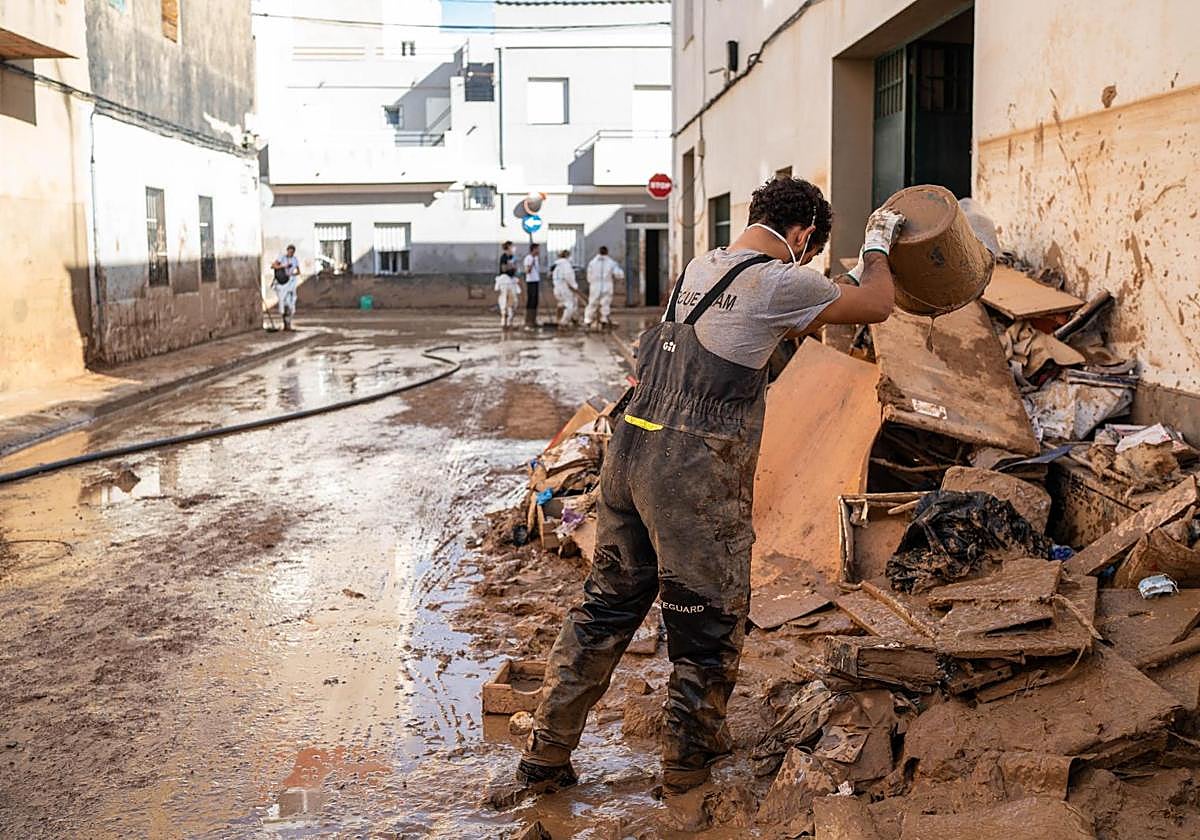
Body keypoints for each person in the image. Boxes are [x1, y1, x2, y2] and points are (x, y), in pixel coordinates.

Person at [511, 177, 904, 800]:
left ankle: (544, 758)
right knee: (706, 624)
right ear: (802, 237)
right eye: (808, 247)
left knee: (604, 610)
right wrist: (877, 244)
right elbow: (877, 303)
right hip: (690, 476)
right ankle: (685, 772)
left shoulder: (702, 266)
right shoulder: (782, 279)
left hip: (629, 454)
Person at [584, 246, 622, 329]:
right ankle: (603, 320)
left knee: (592, 303)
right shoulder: (611, 262)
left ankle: (588, 320)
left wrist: (592, 282)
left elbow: (589, 276)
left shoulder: (592, 262)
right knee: (605, 303)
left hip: (595, 285)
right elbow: (618, 274)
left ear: (599, 252)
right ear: (607, 252)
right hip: (607, 285)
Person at [270, 244, 301, 331]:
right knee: (283, 302)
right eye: (289, 251)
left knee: (291, 303)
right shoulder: (282, 258)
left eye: (292, 252)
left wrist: (292, 274)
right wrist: (284, 266)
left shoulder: (295, 260)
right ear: (287, 251)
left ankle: (288, 324)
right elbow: (273, 266)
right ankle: (285, 324)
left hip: (291, 281)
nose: (290, 253)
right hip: (282, 282)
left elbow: (298, 271)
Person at [551, 250, 579, 328]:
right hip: (565, 288)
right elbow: (569, 277)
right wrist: (574, 287)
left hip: (557, 288)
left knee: (561, 304)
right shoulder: (566, 265)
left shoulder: (556, 266)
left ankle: (558, 319)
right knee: (569, 305)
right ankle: (563, 322)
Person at [495, 263, 521, 329]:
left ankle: (503, 325)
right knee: (510, 312)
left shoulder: (499, 279)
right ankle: (509, 325)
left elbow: (496, 289)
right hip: (511, 298)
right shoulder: (513, 280)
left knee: (503, 312)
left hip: (502, 297)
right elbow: (518, 291)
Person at [522, 243, 542, 329]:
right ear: (533, 249)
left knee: (535, 301)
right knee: (531, 300)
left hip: (536, 280)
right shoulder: (528, 258)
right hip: (530, 281)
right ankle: (528, 320)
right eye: (537, 249)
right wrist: (531, 264)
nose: (539, 251)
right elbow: (527, 271)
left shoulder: (536, 258)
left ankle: (533, 319)